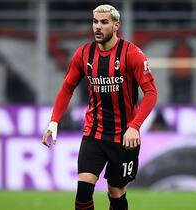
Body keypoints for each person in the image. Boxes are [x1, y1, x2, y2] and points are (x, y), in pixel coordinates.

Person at [42, 4, 157, 210]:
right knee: (84, 190)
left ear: (116, 26)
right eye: (95, 22)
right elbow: (67, 87)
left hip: (124, 137)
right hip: (94, 133)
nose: (98, 27)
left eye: (104, 22)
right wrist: (54, 121)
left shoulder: (132, 54)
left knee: (116, 193)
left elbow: (151, 93)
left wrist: (134, 126)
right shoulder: (83, 54)